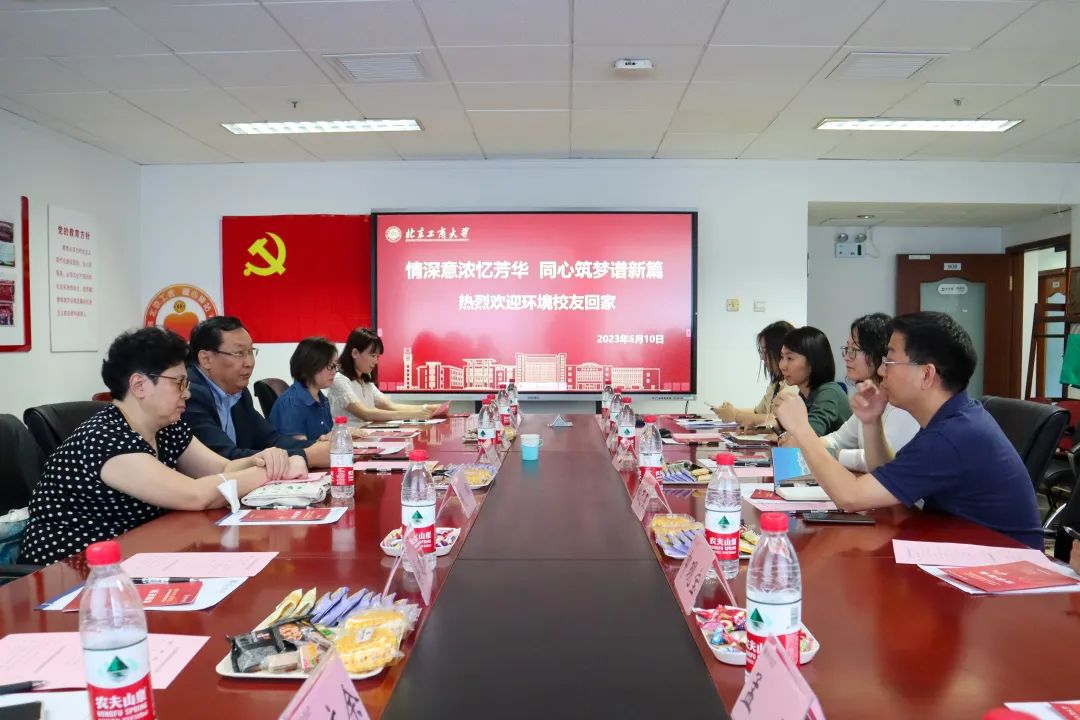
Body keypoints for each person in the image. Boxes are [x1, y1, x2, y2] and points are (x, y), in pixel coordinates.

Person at [20, 327, 295, 565]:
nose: (187, 393)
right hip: (72, 573)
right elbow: (196, 495)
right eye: (179, 383)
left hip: (139, 553)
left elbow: (223, 468)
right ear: (139, 385)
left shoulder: (167, 427)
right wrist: (268, 472)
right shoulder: (105, 439)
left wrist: (266, 459)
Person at [774, 311, 1042, 549]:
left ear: (926, 374)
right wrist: (872, 422)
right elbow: (887, 476)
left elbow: (851, 497)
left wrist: (802, 430)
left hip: (1005, 573)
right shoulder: (950, 419)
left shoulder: (952, 435)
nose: (881, 370)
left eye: (889, 362)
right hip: (966, 554)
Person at [183, 316, 330, 467]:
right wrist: (307, 456)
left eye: (250, 351)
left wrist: (321, 447)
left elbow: (271, 440)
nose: (250, 363)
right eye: (239, 353)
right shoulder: (188, 395)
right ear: (206, 359)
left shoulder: (239, 392)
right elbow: (225, 458)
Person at [821, 313, 919, 471]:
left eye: (855, 349)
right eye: (847, 349)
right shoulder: (870, 398)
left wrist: (833, 454)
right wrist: (810, 445)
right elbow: (838, 439)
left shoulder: (901, 403)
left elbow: (884, 462)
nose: (847, 357)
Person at [329, 328, 435, 427]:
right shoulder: (339, 380)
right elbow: (366, 414)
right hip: (347, 439)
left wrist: (431, 408)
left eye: (377, 356)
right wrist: (413, 415)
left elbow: (390, 406)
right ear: (355, 353)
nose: (376, 361)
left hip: (367, 437)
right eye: (373, 355)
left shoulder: (366, 382)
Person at [712, 320, 796, 430]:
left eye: (765, 351)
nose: (762, 358)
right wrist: (732, 411)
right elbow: (758, 412)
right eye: (761, 351)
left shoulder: (793, 384)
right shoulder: (776, 382)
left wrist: (736, 416)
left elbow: (779, 420)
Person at [776, 326, 851, 438]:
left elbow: (807, 436)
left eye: (790, 358)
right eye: (782, 357)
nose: (782, 366)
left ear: (813, 361)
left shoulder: (829, 393)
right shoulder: (804, 394)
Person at [269, 337, 338, 442]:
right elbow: (299, 447)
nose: (334, 372)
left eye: (335, 366)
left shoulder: (323, 400)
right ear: (310, 365)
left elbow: (327, 437)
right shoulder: (291, 403)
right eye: (330, 366)